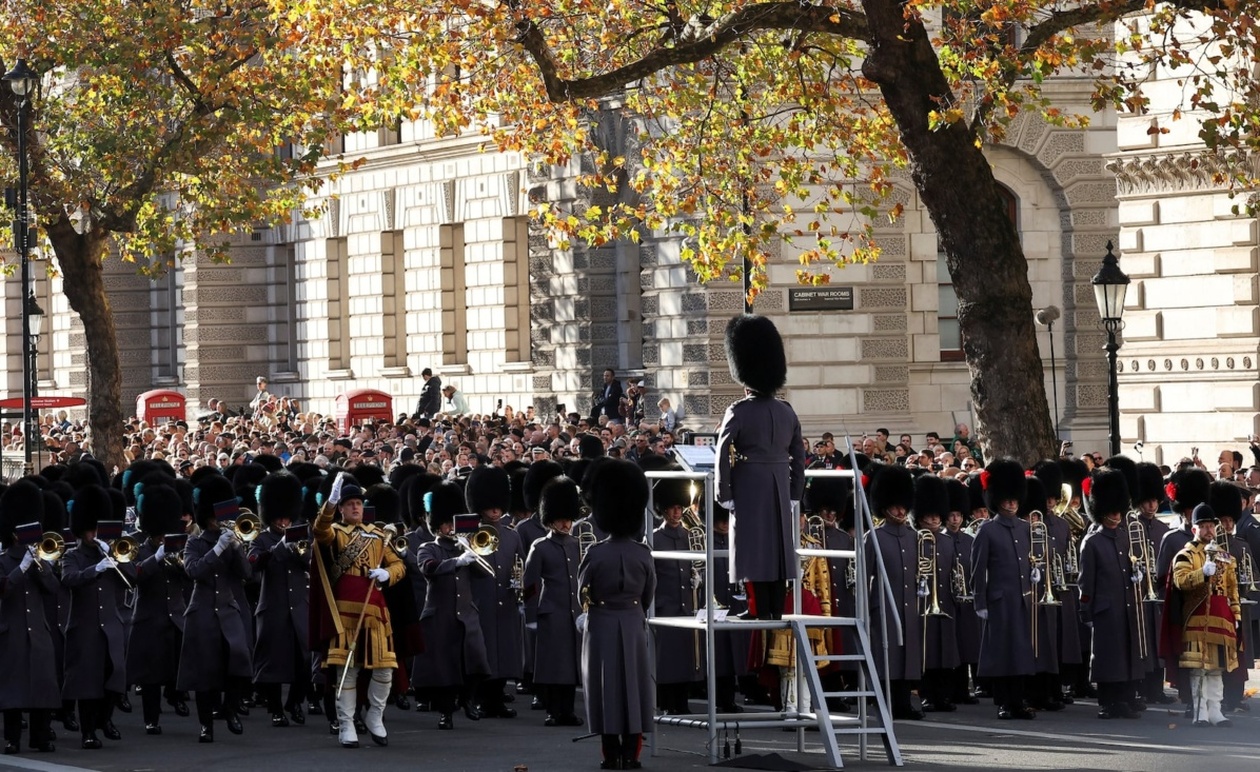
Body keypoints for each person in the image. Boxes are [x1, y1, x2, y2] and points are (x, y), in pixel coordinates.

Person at [715, 314, 804, 620]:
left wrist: (723, 491)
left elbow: (722, 450)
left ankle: (755, 608)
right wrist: (795, 492)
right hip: (779, 482)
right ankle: (774, 609)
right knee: (778, 548)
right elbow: (799, 454)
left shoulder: (738, 411)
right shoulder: (787, 411)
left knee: (751, 547)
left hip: (749, 482)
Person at [311, 475, 406, 748]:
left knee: (384, 669)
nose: (355, 508)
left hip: (375, 611)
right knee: (347, 670)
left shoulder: (378, 536)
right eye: (350, 504)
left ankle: (376, 717)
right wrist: (330, 501)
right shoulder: (337, 533)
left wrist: (387, 574)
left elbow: (399, 565)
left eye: (358, 504)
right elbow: (320, 531)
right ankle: (347, 724)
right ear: (342, 508)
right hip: (345, 612)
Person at [579, 459, 655, 771]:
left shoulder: (594, 553)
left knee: (604, 688)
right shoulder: (643, 553)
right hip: (634, 621)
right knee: (635, 690)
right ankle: (631, 755)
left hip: (601, 623)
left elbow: (583, 593)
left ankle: (610, 755)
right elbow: (649, 594)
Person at [177, 473, 254, 744]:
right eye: (214, 516)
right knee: (205, 672)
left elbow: (246, 573)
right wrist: (218, 548)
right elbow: (194, 571)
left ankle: (231, 708)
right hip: (203, 610)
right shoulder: (194, 542)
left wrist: (236, 548)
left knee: (239, 661)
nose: (218, 521)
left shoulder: (231, 538)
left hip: (229, 608)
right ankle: (205, 725)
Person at [414, 481, 492, 730]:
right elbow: (429, 568)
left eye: (452, 522)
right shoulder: (429, 547)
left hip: (467, 614)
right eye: (446, 523)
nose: (450, 527)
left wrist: (471, 553)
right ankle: (446, 712)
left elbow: (485, 574)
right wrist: (457, 561)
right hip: (441, 616)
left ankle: (468, 700)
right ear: (438, 524)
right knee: (445, 670)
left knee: (475, 662)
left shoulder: (465, 547)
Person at [62, 484, 135, 748]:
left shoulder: (113, 553)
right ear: (82, 530)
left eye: (98, 529)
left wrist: (116, 557)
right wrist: (96, 568)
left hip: (111, 625)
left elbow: (133, 578)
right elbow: (69, 579)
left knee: (114, 678)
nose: (95, 534)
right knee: (87, 684)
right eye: (91, 530)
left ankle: (105, 719)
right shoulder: (73, 556)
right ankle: (88, 732)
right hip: (86, 628)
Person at [971, 458, 1036, 720]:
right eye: (1006, 499)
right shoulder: (987, 531)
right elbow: (978, 570)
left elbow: (1032, 559)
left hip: (1022, 599)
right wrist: (980, 602)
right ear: (997, 500)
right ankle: (1004, 702)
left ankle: (1018, 700)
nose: (1011, 503)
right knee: (1002, 654)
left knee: (1020, 652)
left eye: (1014, 499)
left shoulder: (1025, 529)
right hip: (998, 601)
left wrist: (1036, 573)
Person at [1078, 468, 1146, 719]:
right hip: (1105, 607)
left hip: (1126, 603)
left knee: (1127, 653)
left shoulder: (1124, 537)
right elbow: (1087, 582)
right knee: (1107, 657)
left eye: (1119, 511)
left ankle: (1126, 697)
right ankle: (1109, 701)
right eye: (1112, 512)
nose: (1117, 517)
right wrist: (1086, 609)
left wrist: (1137, 573)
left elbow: (1131, 564)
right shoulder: (1092, 542)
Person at [0, 480, 60, 755]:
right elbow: (4, 590)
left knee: (43, 687)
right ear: (14, 534)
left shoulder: (39, 558)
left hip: (38, 630)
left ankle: (40, 735)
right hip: (11, 631)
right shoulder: (3, 560)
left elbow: (52, 589)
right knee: (12, 690)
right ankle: (12, 738)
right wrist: (21, 567)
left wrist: (39, 566)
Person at [1170, 502, 1243, 727]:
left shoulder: (1226, 557)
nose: (1208, 530)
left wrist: (1236, 615)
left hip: (1222, 620)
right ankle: (1200, 712)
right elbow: (1180, 581)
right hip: (1197, 618)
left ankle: (1216, 711)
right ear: (1194, 529)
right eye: (1203, 526)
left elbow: (1232, 590)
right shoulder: (1185, 555)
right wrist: (1202, 573)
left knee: (1217, 669)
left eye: (1211, 526)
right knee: (1199, 669)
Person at [248, 472, 310, 728]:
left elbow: (312, 562)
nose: (284, 521)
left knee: (305, 660)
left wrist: (301, 550)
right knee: (273, 661)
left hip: (300, 606)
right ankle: (275, 709)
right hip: (273, 605)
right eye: (280, 517)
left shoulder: (302, 535)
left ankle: (294, 702)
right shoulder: (262, 539)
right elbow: (255, 563)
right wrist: (281, 546)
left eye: (287, 516)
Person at [127, 482, 189, 736]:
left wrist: (180, 564)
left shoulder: (178, 545)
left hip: (176, 615)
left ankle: (176, 697)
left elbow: (189, 575)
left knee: (178, 668)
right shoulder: (137, 547)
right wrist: (158, 557)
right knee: (151, 676)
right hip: (149, 617)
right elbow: (135, 574)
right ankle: (151, 719)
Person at [522, 476, 584, 727]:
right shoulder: (540, 546)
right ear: (550, 519)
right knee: (553, 666)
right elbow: (530, 585)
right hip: (550, 611)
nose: (566, 523)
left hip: (573, 612)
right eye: (561, 519)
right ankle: (553, 710)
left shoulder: (576, 544)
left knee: (570, 666)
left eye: (568, 518)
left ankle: (567, 710)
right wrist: (531, 616)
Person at [465, 466, 526, 719]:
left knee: (504, 651)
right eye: (490, 505)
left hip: (505, 599)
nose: (494, 509)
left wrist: (518, 584)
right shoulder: (469, 534)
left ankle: (496, 698)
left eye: (498, 505)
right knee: (484, 650)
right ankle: (480, 698)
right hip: (481, 600)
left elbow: (519, 564)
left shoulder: (511, 536)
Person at [865, 463, 924, 719]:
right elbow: (864, 575)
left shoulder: (914, 537)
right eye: (895, 506)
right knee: (885, 656)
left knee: (907, 656)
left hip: (909, 603)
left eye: (903, 506)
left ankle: (903, 703)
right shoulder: (873, 537)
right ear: (884, 506)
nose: (900, 510)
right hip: (884, 605)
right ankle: (885, 703)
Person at [650, 474, 702, 713]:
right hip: (665, 605)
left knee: (684, 659)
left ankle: (681, 702)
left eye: (679, 508)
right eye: (672, 508)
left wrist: (697, 578)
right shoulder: (654, 538)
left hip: (686, 606)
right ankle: (667, 702)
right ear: (663, 510)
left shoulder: (689, 536)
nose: (676, 512)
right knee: (666, 660)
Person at [914, 474, 960, 713]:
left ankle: (943, 695)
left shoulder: (946, 541)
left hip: (944, 601)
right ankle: (928, 695)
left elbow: (952, 570)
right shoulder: (916, 539)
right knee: (928, 653)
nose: (933, 519)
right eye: (929, 516)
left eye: (936, 515)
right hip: (923, 603)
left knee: (946, 654)